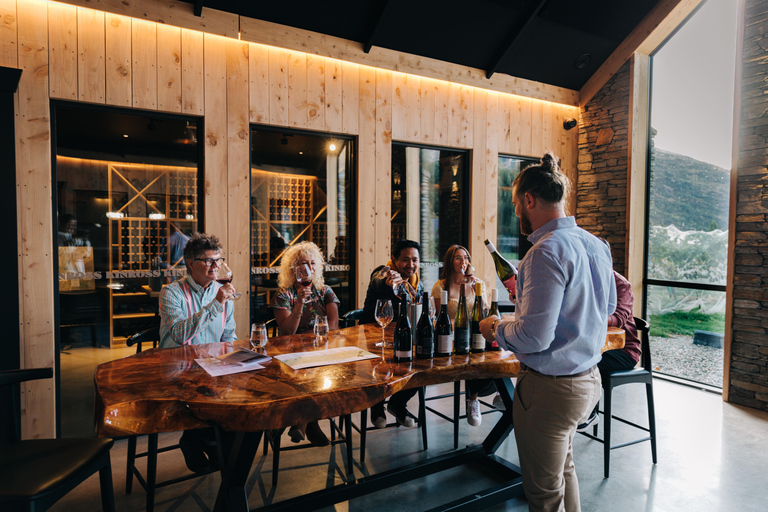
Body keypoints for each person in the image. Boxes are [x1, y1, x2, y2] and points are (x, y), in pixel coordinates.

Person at [479, 152, 616, 512]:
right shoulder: (596, 245)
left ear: (529, 200)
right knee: (563, 473)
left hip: (550, 390)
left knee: (543, 494)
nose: (515, 213)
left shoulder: (544, 252)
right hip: (587, 381)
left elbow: (535, 338)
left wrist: (495, 327)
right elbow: (609, 308)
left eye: (515, 204)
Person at [158, 232, 238, 473]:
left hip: (213, 367)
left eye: (219, 260)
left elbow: (229, 336)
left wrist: (234, 361)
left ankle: (202, 441)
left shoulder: (224, 293)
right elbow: (181, 336)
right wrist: (216, 304)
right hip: (178, 369)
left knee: (239, 391)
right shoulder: (171, 293)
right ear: (191, 264)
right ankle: (204, 441)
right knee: (208, 392)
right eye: (209, 261)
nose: (216, 266)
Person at [271, 241, 340, 446]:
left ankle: (293, 422)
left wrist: (316, 344)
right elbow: (287, 331)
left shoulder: (325, 290)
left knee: (322, 372)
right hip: (290, 353)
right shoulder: (284, 294)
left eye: (312, 262)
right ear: (293, 268)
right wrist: (300, 303)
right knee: (308, 374)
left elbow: (333, 327)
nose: (308, 268)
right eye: (302, 263)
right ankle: (308, 424)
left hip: (320, 349)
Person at [361, 239, 423, 428]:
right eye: (405, 260)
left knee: (423, 363)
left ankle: (397, 404)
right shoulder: (384, 272)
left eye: (415, 260)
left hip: (403, 336)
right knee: (379, 367)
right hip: (374, 336)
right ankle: (377, 405)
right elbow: (378, 280)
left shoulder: (416, 284)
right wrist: (388, 281)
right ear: (393, 259)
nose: (411, 265)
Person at [430, 245, 495, 427]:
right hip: (450, 338)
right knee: (470, 356)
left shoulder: (477, 283)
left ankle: (478, 398)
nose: (463, 261)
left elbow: (487, 313)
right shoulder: (441, 285)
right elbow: (437, 318)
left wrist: (478, 293)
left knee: (493, 352)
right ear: (451, 262)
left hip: (473, 335)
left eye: (466, 258)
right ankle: (475, 398)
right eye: (458, 258)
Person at [578, 270, 641, 431]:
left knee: (586, 363)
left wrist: (585, 317)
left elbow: (618, 319)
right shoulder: (584, 278)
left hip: (624, 351)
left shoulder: (621, 284)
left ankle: (589, 413)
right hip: (595, 346)